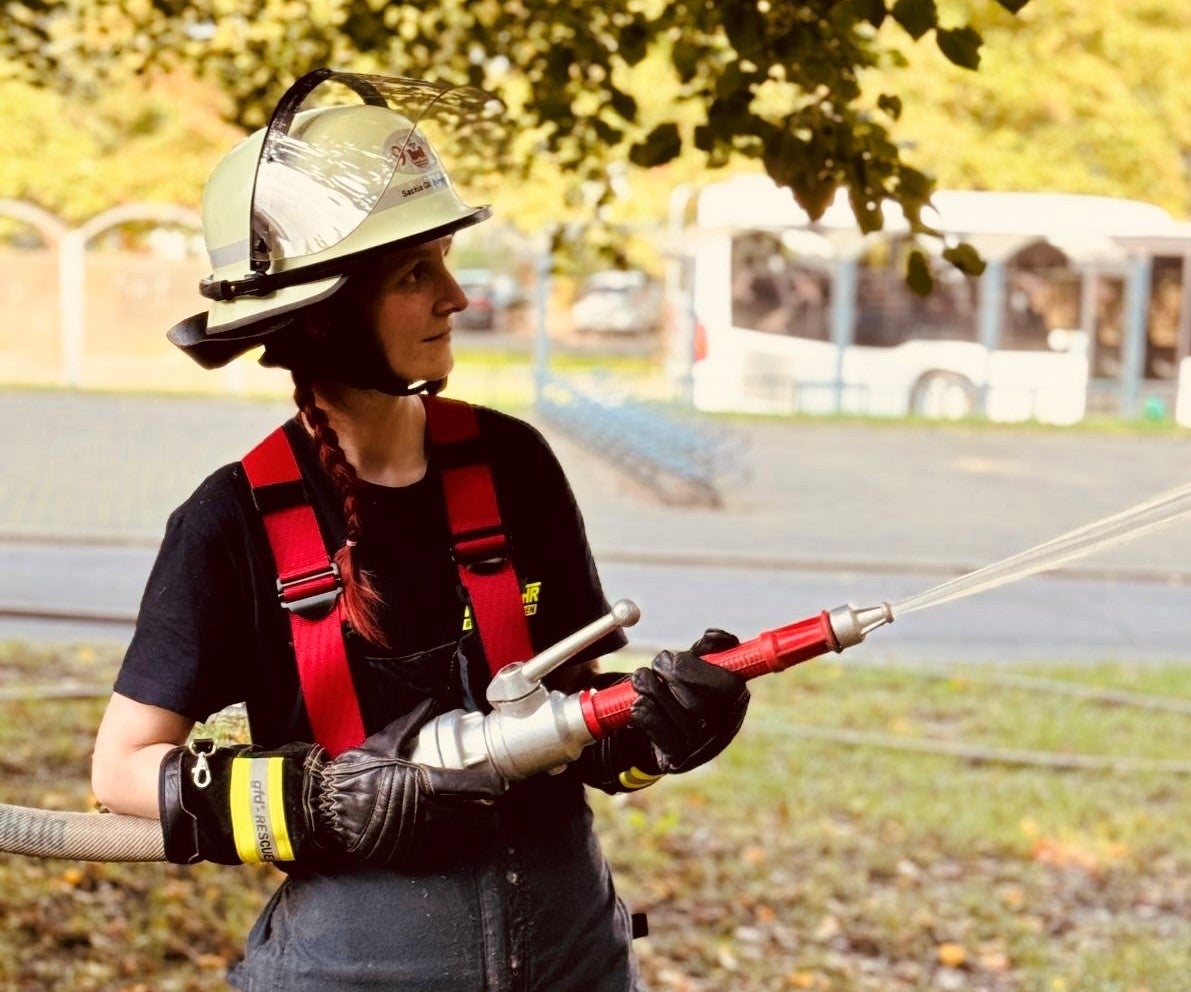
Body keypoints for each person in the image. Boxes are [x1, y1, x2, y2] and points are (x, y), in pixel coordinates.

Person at [90, 69, 750, 992]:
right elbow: (121, 770)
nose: (458, 297)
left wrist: (652, 731)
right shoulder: (231, 521)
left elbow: (575, 712)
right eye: (415, 273)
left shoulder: (513, 464)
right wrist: (315, 800)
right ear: (319, 315)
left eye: (444, 260)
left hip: (575, 960)